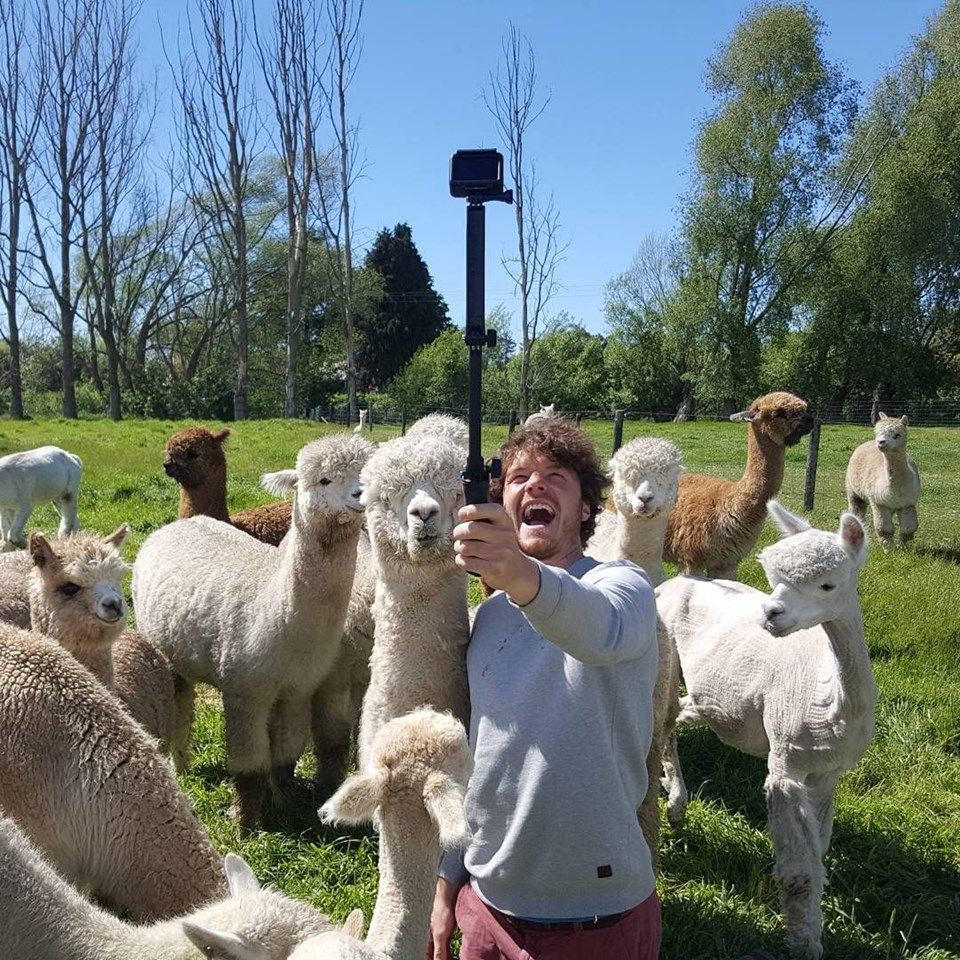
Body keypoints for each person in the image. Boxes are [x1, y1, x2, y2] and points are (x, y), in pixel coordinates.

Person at [428, 418, 661, 960]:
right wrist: (446, 885)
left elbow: (597, 630)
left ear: (585, 507)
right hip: (487, 909)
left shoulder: (623, 587)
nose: (534, 485)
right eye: (518, 477)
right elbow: (481, 758)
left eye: (556, 476)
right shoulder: (487, 619)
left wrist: (517, 573)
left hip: (597, 917)